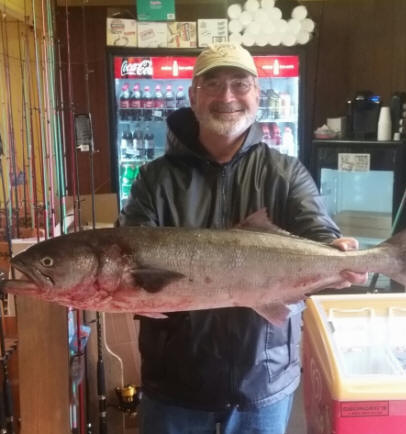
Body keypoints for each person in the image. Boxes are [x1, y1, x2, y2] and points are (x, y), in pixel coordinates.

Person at [118, 43, 366, 434]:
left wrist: (338, 256)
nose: (227, 96)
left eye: (240, 83)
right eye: (213, 84)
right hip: (174, 383)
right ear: (192, 96)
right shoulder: (154, 178)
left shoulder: (285, 173)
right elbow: (130, 257)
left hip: (263, 378)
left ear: (257, 93)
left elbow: (318, 233)